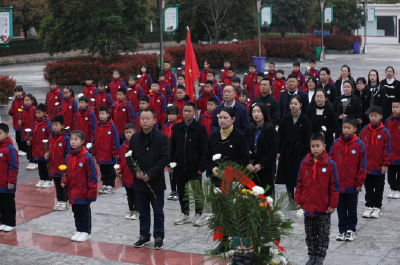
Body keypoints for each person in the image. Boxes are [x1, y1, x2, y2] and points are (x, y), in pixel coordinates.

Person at [204, 107, 250, 254]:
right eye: (220, 117)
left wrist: (230, 171)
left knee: (236, 214)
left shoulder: (240, 137)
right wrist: (214, 169)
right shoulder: (213, 136)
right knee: (220, 212)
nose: (222, 120)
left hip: (235, 181)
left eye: (225, 118)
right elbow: (206, 157)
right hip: (217, 181)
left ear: (233, 119)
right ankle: (223, 243)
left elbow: (244, 159)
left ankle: (237, 244)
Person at [126, 109, 170, 250]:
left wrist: (150, 174)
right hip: (139, 182)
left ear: (154, 120)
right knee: (143, 211)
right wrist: (135, 172)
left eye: (147, 118)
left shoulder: (162, 138)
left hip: (155, 182)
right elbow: (129, 157)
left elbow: (164, 159)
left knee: (158, 211)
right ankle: (144, 235)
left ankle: (158, 236)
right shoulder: (135, 138)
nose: (144, 121)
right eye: (142, 118)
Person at [295, 133, 340, 265]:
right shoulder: (304, 163)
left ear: (324, 146)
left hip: (323, 207)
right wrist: (298, 200)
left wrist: (333, 204)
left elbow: (334, 186)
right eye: (312, 146)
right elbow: (300, 183)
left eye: (317, 146)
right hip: (308, 206)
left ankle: (320, 256)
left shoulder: (330, 164)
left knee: (323, 233)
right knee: (310, 233)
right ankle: (312, 255)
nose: (315, 149)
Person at [329, 116, 366, 242]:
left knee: (351, 208)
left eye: (348, 128)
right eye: (344, 127)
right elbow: (330, 162)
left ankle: (351, 229)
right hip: (339, 184)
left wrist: (360, 182)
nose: (345, 130)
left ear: (355, 129)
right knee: (340, 208)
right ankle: (342, 229)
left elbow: (362, 165)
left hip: (352, 183)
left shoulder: (359, 144)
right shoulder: (336, 143)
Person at [170, 102, 208, 226]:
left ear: (195, 113)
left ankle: (199, 214)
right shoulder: (176, 128)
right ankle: (185, 213)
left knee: (197, 191)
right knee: (182, 191)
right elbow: (173, 147)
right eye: (185, 111)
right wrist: (171, 163)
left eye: (189, 111)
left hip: (195, 167)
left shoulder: (200, 129)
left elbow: (204, 150)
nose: (186, 113)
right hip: (180, 166)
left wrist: (202, 166)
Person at [61, 130, 98, 242]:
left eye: (76, 139)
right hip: (73, 191)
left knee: (85, 213)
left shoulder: (87, 157)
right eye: (71, 139)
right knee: (76, 212)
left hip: (84, 191)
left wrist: (91, 192)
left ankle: (86, 232)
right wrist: (64, 181)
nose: (73, 142)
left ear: (82, 141)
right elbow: (67, 172)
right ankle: (79, 230)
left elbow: (92, 175)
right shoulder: (68, 157)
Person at [276, 95, 312, 207]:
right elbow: (280, 136)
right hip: (287, 151)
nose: (293, 106)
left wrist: (307, 154)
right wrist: (278, 151)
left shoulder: (305, 120)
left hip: (300, 151)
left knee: (299, 176)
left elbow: (308, 138)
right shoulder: (285, 118)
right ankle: (291, 200)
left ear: (301, 105)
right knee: (288, 176)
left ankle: (299, 200)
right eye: (291, 103)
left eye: (296, 103)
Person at [360, 106, 391, 218]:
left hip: (379, 166)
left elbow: (387, 149)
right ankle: (369, 206)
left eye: (375, 116)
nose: (373, 118)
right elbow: (361, 148)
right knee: (368, 187)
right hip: (367, 166)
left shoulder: (384, 132)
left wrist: (385, 164)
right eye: (371, 115)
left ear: (381, 117)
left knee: (378, 188)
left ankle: (377, 207)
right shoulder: (364, 130)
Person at [246, 103, 278, 196]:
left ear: (264, 113)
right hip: (251, 168)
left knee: (266, 197)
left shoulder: (271, 130)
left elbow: (273, 151)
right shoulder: (249, 129)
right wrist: (248, 163)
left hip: (266, 168)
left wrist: (261, 165)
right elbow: (245, 148)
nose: (256, 114)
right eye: (253, 111)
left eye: (258, 111)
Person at [45, 115, 70, 211]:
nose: (54, 127)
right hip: (53, 166)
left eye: (56, 125)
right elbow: (48, 149)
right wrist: (47, 154)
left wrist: (65, 165)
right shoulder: (51, 137)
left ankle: (64, 201)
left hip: (62, 167)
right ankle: (59, 200)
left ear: (62, 126)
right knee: (56, 184)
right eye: (53, 125)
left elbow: (68, 153)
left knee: (63, 184)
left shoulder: (66, 138)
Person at [92, 106, 120, 194]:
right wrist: (94, 150)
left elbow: (115, 139)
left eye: (103, 114)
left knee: (110, 169)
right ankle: (105, 184)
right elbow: (94, 140)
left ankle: (110, 185)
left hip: (109, 153)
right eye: (100, 114)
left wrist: (115, 151)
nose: (101, 116)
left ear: (107, 115)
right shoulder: (97, 127)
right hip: (100, 153)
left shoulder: (112, 127)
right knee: (103, 169)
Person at [116, 123, 139, 220]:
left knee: (136, 194)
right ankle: (131, 210)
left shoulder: (138, 146)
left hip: (134, 174)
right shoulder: (122, 147)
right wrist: (119, 169)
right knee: (129, 194)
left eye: (130, 132)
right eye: (126, 133)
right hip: (125, 174)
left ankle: (137, 210)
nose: (128, 135)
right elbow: (120, 160)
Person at [28, 103, 53, 188]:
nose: (37, 115)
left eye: (39, 113)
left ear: (44, 113)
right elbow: (32, 134)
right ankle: (42, 179)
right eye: (36, 113)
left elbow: (50, 135)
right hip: (37, 148)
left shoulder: (48, 124)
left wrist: (48, 146)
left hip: (44, 149)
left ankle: (49, 180)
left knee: (46, 165)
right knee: (40, 165)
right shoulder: (34, 124)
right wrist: (30, 140)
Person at [0, 123, 19, 232]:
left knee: (8, 203)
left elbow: (14, 166)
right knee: (1, 204)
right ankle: (4, 221)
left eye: (0, 133)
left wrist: (11, 181)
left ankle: (10, 222)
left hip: (7, 182)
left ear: (6, 134)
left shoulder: (10, 148)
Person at [161, 105, 182, 201]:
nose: (170, 116)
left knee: (178, 172)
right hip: (168, 151)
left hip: (178, 151)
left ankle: (179, 190)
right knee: (170, 171)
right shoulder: (165, 126)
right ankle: (173, 190)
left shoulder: (180, 125)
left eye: (173, 114)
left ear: (177, 115)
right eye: (169, 114)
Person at [385, 99, 400, 199]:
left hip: (399, 152)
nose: (395, 109)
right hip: (391, 153)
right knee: (390, 173)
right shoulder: (388, 121)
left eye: (397, 107)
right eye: (393, 107)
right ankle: (393, 189)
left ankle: (398, 189)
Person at [20, 94, 37, 170]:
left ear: (32, 101)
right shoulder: (23, 111)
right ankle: (30, 161)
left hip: (32, 133)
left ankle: (34, 162)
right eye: (25, 100)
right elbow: (23, 122)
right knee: (27, 148)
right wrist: (21, 122)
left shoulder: (34, 110)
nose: (26, 102)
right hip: (25, 132)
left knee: (32, 147)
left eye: (28, 100)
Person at [8, 85, 26, 156]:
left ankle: (24, 150)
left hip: (23, 122)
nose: (17, 93)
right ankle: (20, 149)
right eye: (16, 91)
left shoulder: (25, 100)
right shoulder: (14, 101)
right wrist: (9, 111)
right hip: (16, 122)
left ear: (22, 92)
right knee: (17, 138)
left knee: (23, 137)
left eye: (19, 91)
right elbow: (12, 113)